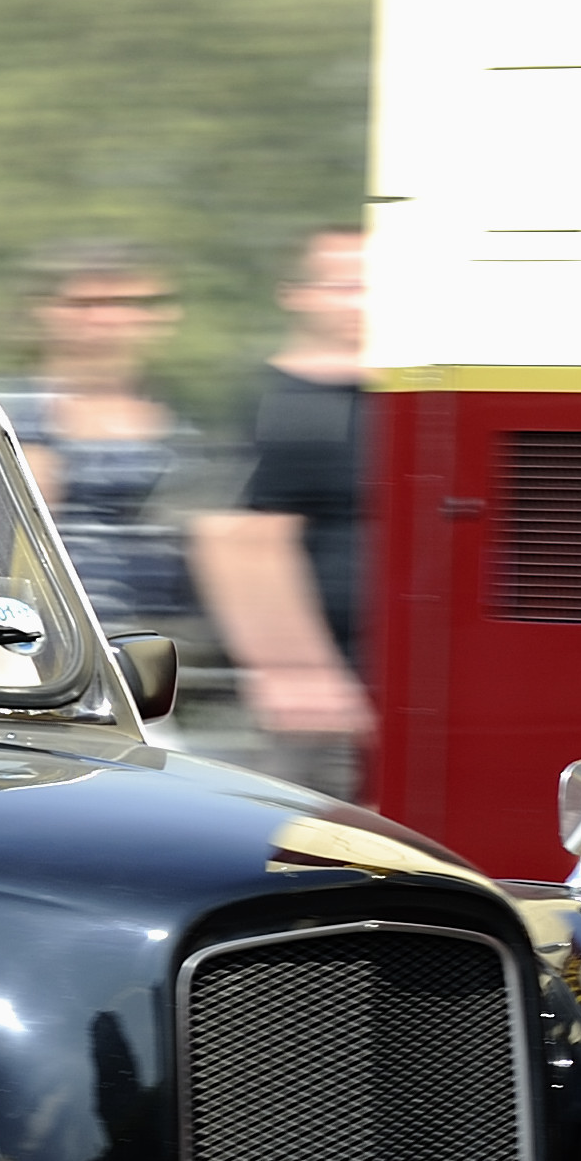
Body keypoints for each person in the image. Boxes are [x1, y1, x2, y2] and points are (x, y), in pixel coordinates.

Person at [190, 227, 374, 786]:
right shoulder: (283, 403)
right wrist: (298, 674)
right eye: (344, 284)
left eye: (373, 285)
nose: (361, 300)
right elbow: (240, 543)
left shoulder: (399, 398)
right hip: (318, 692)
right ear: (297, 293)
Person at [11, 242, 189, 625]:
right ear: (45, 311)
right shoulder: (13, 420)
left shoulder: (187, 428)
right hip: (63, 639)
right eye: (85, 304)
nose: (105, 320)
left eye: (124, 303)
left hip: (171, 642)